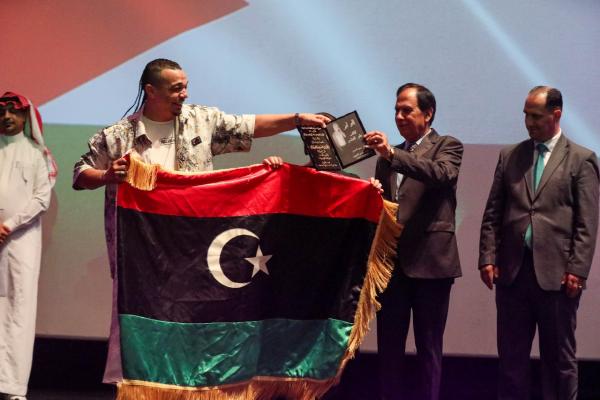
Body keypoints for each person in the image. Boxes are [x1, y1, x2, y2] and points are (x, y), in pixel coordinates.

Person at [72, 58, 330, 384]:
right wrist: (107, 175)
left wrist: (296, 119)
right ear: (151, 91)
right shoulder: (118, 136)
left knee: (195, 327)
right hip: (141, 256)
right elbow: (80, 174)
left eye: (185, 87)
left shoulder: (201, 121)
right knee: (144, 330)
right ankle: (143, 386)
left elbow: (250, 125)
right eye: (176, 88)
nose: (184, 94)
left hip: (194, 248)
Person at [479, 86, 599, 400]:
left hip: (558, 277)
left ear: (556, 114)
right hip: (513, 274)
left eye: (535, 116)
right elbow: (493, 212)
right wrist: (487, 257)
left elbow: (587, 223)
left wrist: (578, 270)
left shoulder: (582, 159)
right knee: (511, 359)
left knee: (559, 360)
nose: (529, 122)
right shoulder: (510, 155)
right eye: (526, 115)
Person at [364, 83, 463, 400]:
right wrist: (372, 194)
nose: (399, 116)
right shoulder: (389, 155)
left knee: (428, 348)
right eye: (396, 110)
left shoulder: (447, 145)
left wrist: (392, 154)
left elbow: (440, 174)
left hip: (431, 264)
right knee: (388, 348)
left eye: (407, 110)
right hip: (392, 266)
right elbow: (389, 206)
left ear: (428, 113)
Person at [0, 92, 53, 400]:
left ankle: (12, 387)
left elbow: (41, 198)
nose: (7, 116)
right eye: (2, 111)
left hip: (20, 241)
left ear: (25, 116)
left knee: (18, 309)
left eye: (13, 111)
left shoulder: (36, 154)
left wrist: (9, 225)